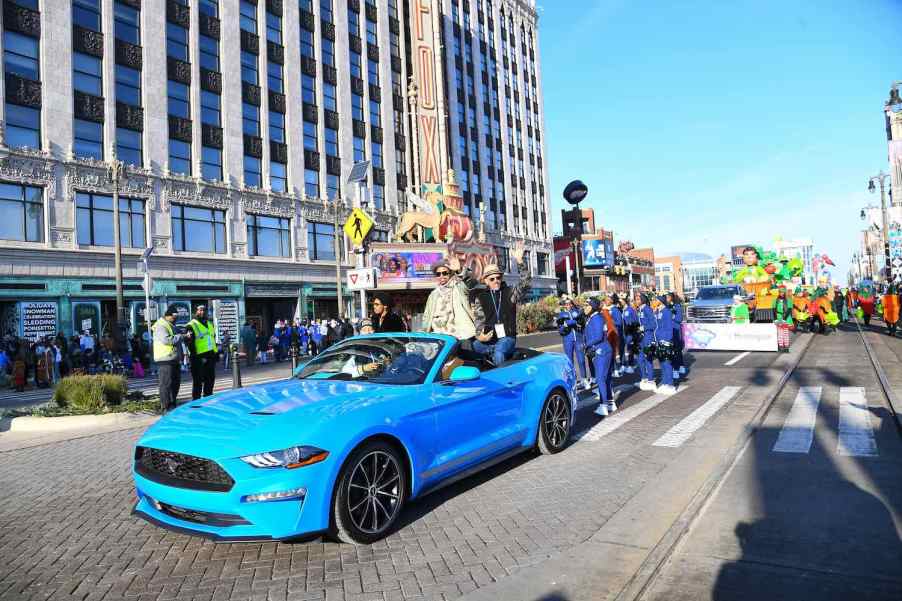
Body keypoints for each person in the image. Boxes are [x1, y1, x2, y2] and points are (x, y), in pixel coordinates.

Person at [473, 242, 530, 366]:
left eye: (498, 277)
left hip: (507, 337)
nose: (496, 281)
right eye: (492, 279)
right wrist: (480, 336)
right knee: (474, 346)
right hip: (490, 339)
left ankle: (502, 379)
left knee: (499, 353)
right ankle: (508, 354)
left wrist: (520, 262)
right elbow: (479, 320)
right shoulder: (481, 297)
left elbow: (526, 283)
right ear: (486, 281)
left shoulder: (510, 292)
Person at [422, 256, 477, 340]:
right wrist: (424, 332)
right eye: (438, 274)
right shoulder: (433, 295)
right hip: (438, 336)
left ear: (450, 273)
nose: (441, 276)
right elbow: (427, 316)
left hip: (460, 335)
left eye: (444, 273)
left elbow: (470, 283)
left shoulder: (458, 287)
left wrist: (459, 271)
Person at [584, 297, 615, 416]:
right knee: (605, 378)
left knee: (601, 378)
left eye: (587, 305)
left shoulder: (596, 318)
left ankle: (603, 406)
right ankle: (610, 403)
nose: (585, 308)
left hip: (601, 351)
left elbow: (598, 337)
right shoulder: (594, 317)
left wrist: (586, 344)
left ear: (592, 307)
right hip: (604, 350)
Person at [153, 306, 184, 412]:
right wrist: (181, 336)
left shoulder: (171, 325)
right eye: (174, 317)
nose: (176, 319)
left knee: (175, 383)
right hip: (165, 359)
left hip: (173, 359)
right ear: (168, 316)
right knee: (166, 384)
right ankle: (165, 407)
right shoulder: (161, 326)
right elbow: (166, 340)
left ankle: (172, 403)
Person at [185, 305, 218, 400]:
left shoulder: (209, 324)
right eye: (200, 310)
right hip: (198, 358)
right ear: (195, 312)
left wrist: (216, 354)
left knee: (210, 380)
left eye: (204, 310)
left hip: (210, 356)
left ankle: (208, 399)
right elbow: (190, 344)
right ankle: (196, 402)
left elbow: (212, 339)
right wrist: (197, 357)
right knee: (198, 382)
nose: (202, 312)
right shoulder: (191, 325)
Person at [556, 296, 589, 390]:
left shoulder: (577, 311)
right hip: (568, 340)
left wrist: (574, 322)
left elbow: (582, 323)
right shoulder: (561, 314)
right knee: (570, 362)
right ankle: (573, 382)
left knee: (581, 360)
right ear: (564, 305)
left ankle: (584, 379)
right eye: (566, 304)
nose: (568, 305)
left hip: (578, 339)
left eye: (569, 303)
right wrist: (565, 325)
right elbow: (560, 330)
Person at [653, 295, 677, 395]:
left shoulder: (666, 312)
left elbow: (669, 328)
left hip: (665, 340)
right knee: (662, 362)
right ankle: (664, 382)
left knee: (667, 363)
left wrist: (666, 340)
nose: (654, 301)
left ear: (661, 301)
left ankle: (670, 385)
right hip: (659, 340)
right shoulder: (659, 311)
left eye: (656, 300)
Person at [636, 293, 657, 391]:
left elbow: (653, 324)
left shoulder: (647, 309)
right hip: (641, 338)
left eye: (638, 298)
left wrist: (643, 327)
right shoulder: (639, 309)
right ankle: (644, 378)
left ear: (642, 300)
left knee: (648, 359)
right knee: (640, 359)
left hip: (648, 337)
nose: (636, 300)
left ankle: (651, 380)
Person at [621, 296, 639, 375]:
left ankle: (631, 366)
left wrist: (632, 329)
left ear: (625, 301)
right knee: (627, 349)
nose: (620, 302)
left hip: (630, 333)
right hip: (625, 333)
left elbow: (635, 320)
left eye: (621, 301)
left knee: (630, 349)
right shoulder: (623, 310)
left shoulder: (630, 309)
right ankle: (626, 365)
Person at [608, 294, 625, 378]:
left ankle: (616, 370)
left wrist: (609, 321)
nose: (606, 300)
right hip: (610, 334)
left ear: (612, 300)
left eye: (608, 298)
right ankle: (614, 369)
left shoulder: (614, 310)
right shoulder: (609, 309)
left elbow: (619, 322)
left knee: (613, 353)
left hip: (614, 334)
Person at [773, 287, 793, 352]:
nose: (781, 293)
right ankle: (781, 346)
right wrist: (775, 318)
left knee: (785, 333)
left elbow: (789, 310)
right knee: (780, 333)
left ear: (785, 293)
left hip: (786, 318)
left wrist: (784, 319)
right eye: (780, 292)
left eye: (783, 292)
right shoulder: (775, 300)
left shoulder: (789, 300)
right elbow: (773, 310)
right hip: (778, 317)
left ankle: (786, 347)